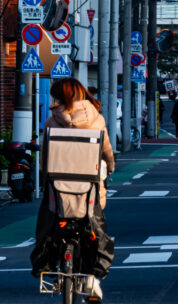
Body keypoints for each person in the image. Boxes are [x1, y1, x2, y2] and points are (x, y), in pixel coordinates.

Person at [31, 78, 115, 301]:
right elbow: (107, 151)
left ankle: (45, 263)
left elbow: (44, 157)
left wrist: (45, 178)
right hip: (89, 191)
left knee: (47, 225)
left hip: (57, 192)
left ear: (58, 97)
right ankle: (92, 279)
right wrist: (111, 167)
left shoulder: (51, 121)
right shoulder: (96, 119)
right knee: (95, 229)